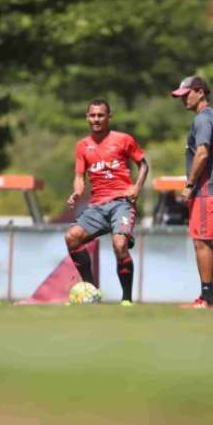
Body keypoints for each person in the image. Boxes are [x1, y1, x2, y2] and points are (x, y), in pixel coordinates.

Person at [65, 99, 149, 306]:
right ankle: (92, 292)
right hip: (97, 206)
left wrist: (137, 187)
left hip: (122, 202)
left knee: (119, 244)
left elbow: (143, 165)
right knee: (72, 237)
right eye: (92, 115)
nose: (96, 119)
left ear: (109, 117)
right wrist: (77, 191)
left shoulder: (123, 139)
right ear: (87, 117)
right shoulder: (82, 146)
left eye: (101, 115)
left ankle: (127, 299)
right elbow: (79, 176)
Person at [171, 76, 213, 309]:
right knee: (205, 242)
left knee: (201, 242)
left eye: (186, 94)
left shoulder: (203, 119)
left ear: (200, 92)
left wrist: (190, 185)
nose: (183, 100)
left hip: (206, 189)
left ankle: (206, 297)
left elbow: (202, 153)